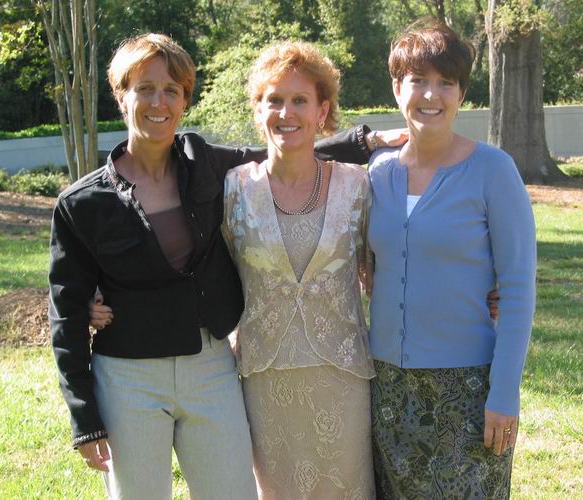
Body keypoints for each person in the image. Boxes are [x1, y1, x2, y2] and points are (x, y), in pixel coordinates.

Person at [49, 33, 383, 499]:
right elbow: (64, 314)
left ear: (185, 99)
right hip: (128, 373)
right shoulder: (82, 203)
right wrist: (84, 416)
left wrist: (364, 141)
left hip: (210, 366)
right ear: (121, 97)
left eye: (171, 90)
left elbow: (283, 150)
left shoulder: (202, 165)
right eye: (145, 89)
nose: (158, 102)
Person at [367, 19, 536, 499]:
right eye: (418, 80)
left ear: (462, 93)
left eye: (446, 82)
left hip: (468, 389)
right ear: (397, 88)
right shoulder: (376, 174)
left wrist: (504, 392)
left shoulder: (493, 171)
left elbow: (518, 289)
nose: (431, 94)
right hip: (388, 386)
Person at [220, 41, 376, 499]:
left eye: (300, 100)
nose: (286, 113)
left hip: (342, 376)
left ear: (322, 110)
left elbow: (391, 266)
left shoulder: (357, 185)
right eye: (274, 100)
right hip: (265, 378)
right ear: (258, 110)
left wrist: (481, 290)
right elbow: (206, 268)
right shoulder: (234, 189)